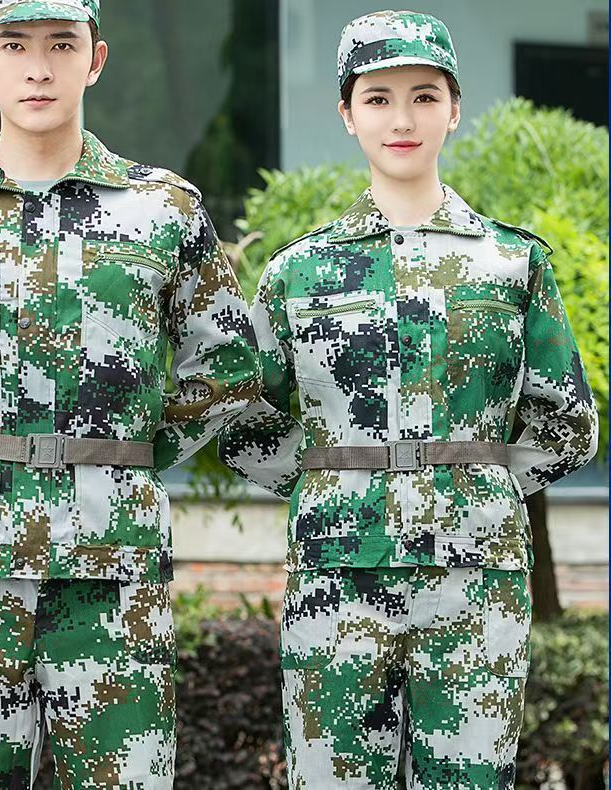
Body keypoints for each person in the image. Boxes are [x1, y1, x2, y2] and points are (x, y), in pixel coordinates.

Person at [0, 0, 260, 786]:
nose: (38, 68)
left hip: (113, 562)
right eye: (15, 45)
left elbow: (227, 365)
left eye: (62, 45)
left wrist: (127, 456)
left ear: (96, 59)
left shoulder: (163, 210)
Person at [217, 9, 598, 789]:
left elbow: (567, 421)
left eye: (425, 96)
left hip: (477, 579)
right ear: (346, 113)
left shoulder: (511, 263)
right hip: (336, 575)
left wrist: (475, 486)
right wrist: (333, 487)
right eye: (378, 98)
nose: (402, 119)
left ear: (454, 110)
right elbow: (244, 421)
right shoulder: (297, 272)